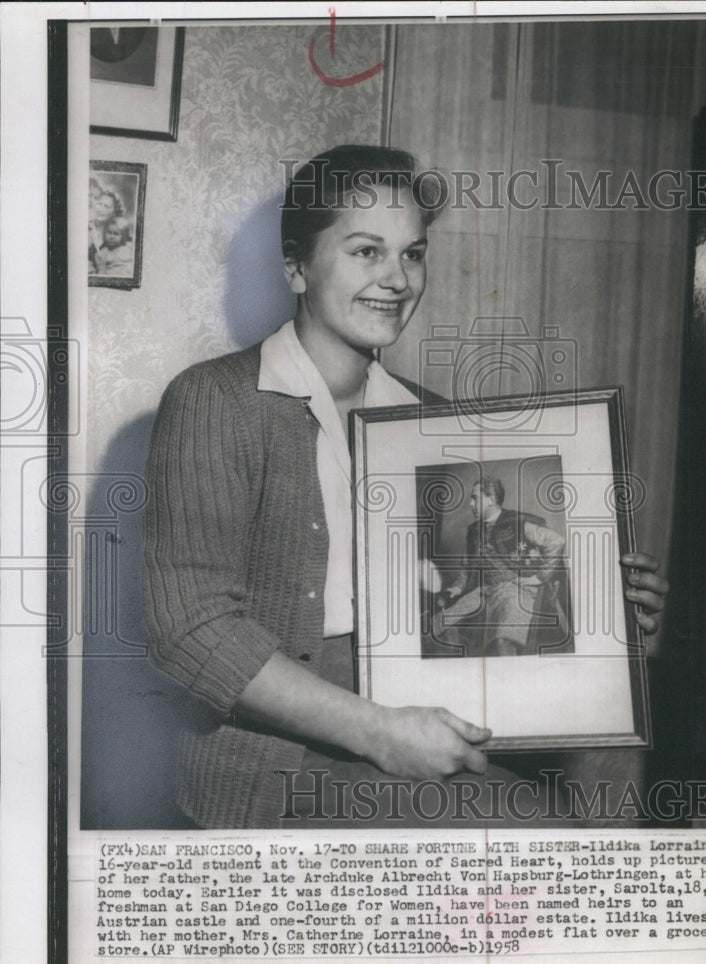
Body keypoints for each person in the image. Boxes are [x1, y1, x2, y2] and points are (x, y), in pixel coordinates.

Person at [143, 145, 669, 829]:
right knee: (533, 835)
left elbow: (458, 594)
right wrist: (377, 730)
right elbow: (187, 631)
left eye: (412, 254)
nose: (397, 279)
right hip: (281, 747)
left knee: (615, 760)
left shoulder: (427, 418)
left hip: (424, 692)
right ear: (297, 266)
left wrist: (604, 617)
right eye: (367, 251)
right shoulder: (214, 400)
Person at [432, 476, 572, 657]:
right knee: (440, 627)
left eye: (475, 498)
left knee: (503, 641)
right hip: (484, 591)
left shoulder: (518, 522)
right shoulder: (473, 531)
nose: (470, 503)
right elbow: (466, 568)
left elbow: (556, 542)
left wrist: (539, 577)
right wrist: (456, 589)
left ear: (491, 499)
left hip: (516, 591)